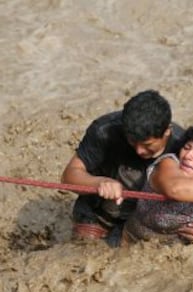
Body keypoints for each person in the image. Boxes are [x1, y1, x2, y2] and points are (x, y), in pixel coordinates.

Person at [61, 90, 184, 245]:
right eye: (132, 141)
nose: (139, 151)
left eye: (147, 145)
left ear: (167, 131)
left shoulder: (183, 147)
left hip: (148, 219)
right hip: (99, 213)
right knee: (85, 249)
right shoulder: (104, 131)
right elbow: (68, 176)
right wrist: (99, 183)